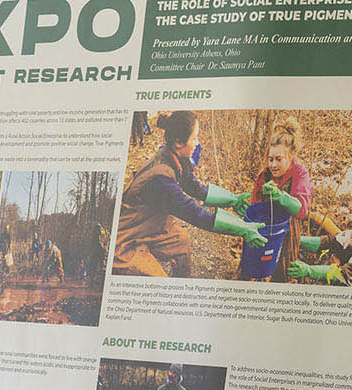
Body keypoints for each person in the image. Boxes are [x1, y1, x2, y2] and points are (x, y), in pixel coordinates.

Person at [113, 111, 266, 278]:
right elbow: (194, 213)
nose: (197, 143)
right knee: (159, 282)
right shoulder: (160, 181)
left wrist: (232, 199)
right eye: (195, 138)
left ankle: (183, 283)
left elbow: (195, 188)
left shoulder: (174, 157)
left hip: (147, 230)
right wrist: (241, 228)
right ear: (179, 142)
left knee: (181, 240)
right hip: (125, 241)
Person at [236, 117, 314, 282]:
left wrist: (280, 195)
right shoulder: (265, 174)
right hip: (265, 224)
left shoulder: (300, 174)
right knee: (252, 260)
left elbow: (301, 211)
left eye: (279, 159)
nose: (273, 165)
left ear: (291, 155)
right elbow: (255, 202)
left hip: (288, 228)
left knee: (284, 270)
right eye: (270, 159)